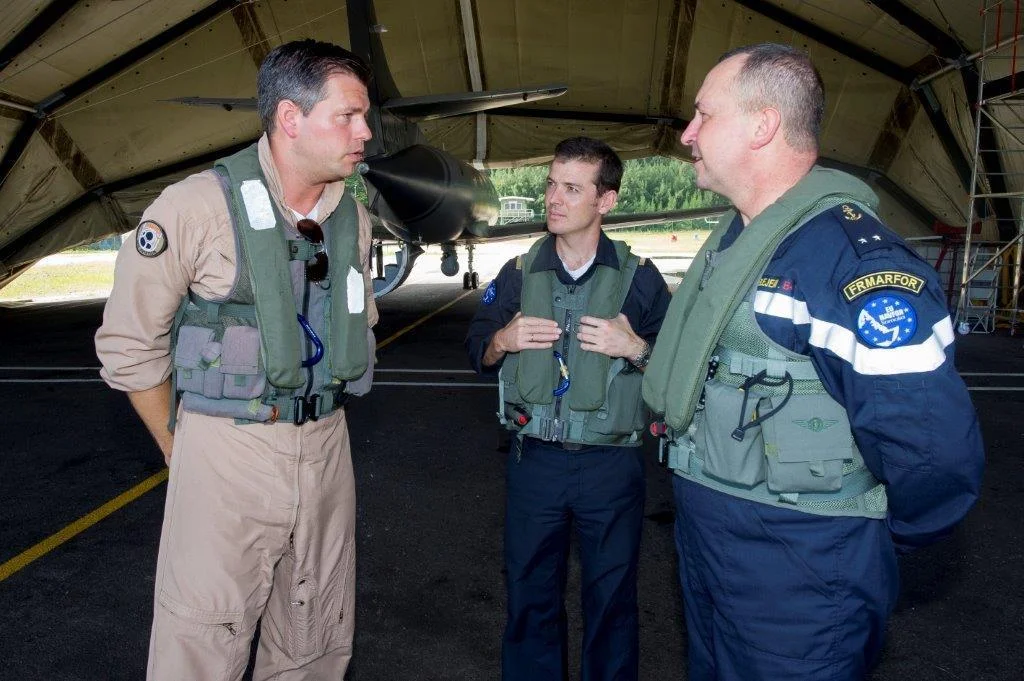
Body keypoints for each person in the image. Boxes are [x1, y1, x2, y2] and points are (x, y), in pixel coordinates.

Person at [643, 43, 985, 680]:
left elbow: (931, 454)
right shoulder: (741, 242)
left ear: (763, 125)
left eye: (703, 115)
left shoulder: (853, 265)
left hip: (799, 567)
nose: (687, 134)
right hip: (712, 548)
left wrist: (856, 541)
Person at [94, 40, 377, 681]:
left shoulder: (352, 220)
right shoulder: (193, 208)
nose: (365, 132)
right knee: (202, 639)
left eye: (366, 117)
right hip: (226, 451)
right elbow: (129, 345)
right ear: (289, 118)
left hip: (328, 446)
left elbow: (355, 326)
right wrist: (180, 445)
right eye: (348, 116)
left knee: (317, 631)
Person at [466, 136, 671, 681]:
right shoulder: (517, 271)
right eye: (551, 185)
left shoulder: (640, 278)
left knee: (611, 602)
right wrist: (502, 341)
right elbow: (476, 348)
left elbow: (678, 369)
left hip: (611, 467)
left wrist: (636, 349)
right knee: (529, 596)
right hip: (535, 462)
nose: (553, 199)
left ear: (605, 202)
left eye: (572, 188)